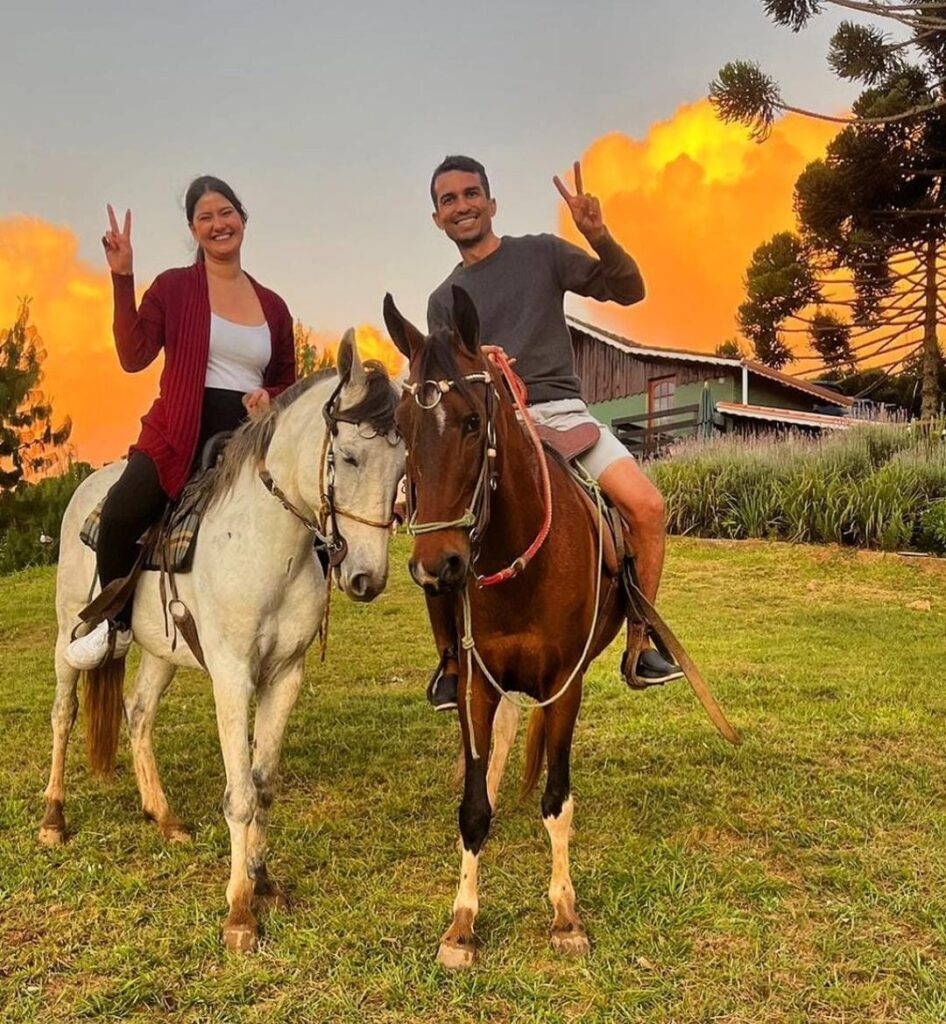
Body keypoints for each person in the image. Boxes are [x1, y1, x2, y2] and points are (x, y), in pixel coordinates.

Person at [423, 154, 682, 711]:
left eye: (471, 194)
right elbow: (445, 382)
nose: (462, 206)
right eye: (449, 200)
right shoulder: (442, 301)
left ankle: (641, 643)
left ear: (491, 204)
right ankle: (449, 659)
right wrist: (478, 365)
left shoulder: (541, 253)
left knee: (647, 507)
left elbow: (629, 290)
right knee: (435, 522)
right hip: (491, 427)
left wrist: (600, 236)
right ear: (437, 218)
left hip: (564, 417)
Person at [65, 176, 296, 671]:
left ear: (243, 219)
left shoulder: (273, 305)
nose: (218, 224)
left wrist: (269, 397)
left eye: (226, 213)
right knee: (121, 515)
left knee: (302, 517)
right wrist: (122, 276)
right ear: (194, 230)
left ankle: (298, 615)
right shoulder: (173, 287)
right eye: (205, 217)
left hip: (247, 438)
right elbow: (133, 355)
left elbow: (286, 381)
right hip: (176, 435)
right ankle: (114, 624)